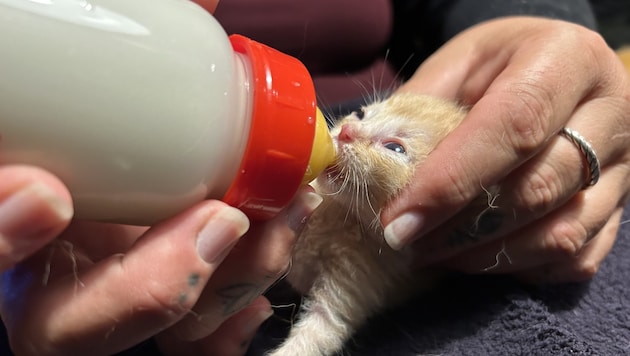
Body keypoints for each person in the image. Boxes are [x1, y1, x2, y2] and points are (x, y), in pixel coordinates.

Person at [1, 0, 629, 355]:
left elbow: (324, 329)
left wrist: (536, 20)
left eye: (391, 145)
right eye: (360, 116)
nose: (347, 131)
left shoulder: (381, 247)